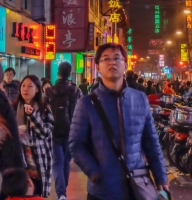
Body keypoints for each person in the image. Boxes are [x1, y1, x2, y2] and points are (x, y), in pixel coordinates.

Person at [70, 43, 168, 200]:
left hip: (136, 186)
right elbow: (76, 144)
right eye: (106, 59)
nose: (112, 62)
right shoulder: (86, 103)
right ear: (98, 66)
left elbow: (151, 141)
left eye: (117, 58)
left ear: (125, 64)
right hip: (102, 190)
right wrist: (95, 173)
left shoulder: (140, 98)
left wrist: (161, 176)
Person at [45, 62, 81, 200]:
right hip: (71, 131)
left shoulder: (49, 91)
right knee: (66, 162)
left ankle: (61, 193)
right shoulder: (75, 91)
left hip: (53, 131)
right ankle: (62, 191)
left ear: (57, 73)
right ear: (70, 73)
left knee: (57, 162)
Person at [15, 75, 54, 198]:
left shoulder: (45, 110)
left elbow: (45, 133)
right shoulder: (13, 107)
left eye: (30, 86)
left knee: (35, 194)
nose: (25, 89)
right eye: (23, 86)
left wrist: (32, 115)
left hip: (38, 161)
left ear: (37, 89)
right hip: (19, 161)